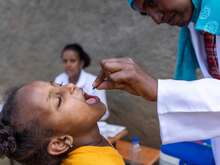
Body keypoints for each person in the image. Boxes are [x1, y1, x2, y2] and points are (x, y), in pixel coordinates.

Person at [93, 0, 220, 164]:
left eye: (153, 2)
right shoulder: (197, 23)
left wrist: (159, 89)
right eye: (145, 12)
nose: (157, 19)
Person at [0, 81, 125, 165]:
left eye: (58, 84)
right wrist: (145, 88)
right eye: (59, 100)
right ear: (60, 143)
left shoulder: (91, 146)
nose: (70, 85)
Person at [55, 43, 109, 120]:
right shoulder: (59, 80)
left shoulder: (94, 82)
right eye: (65, 61)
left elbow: (104, 113)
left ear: (81, 63)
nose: (68, 64)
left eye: (72, 61)